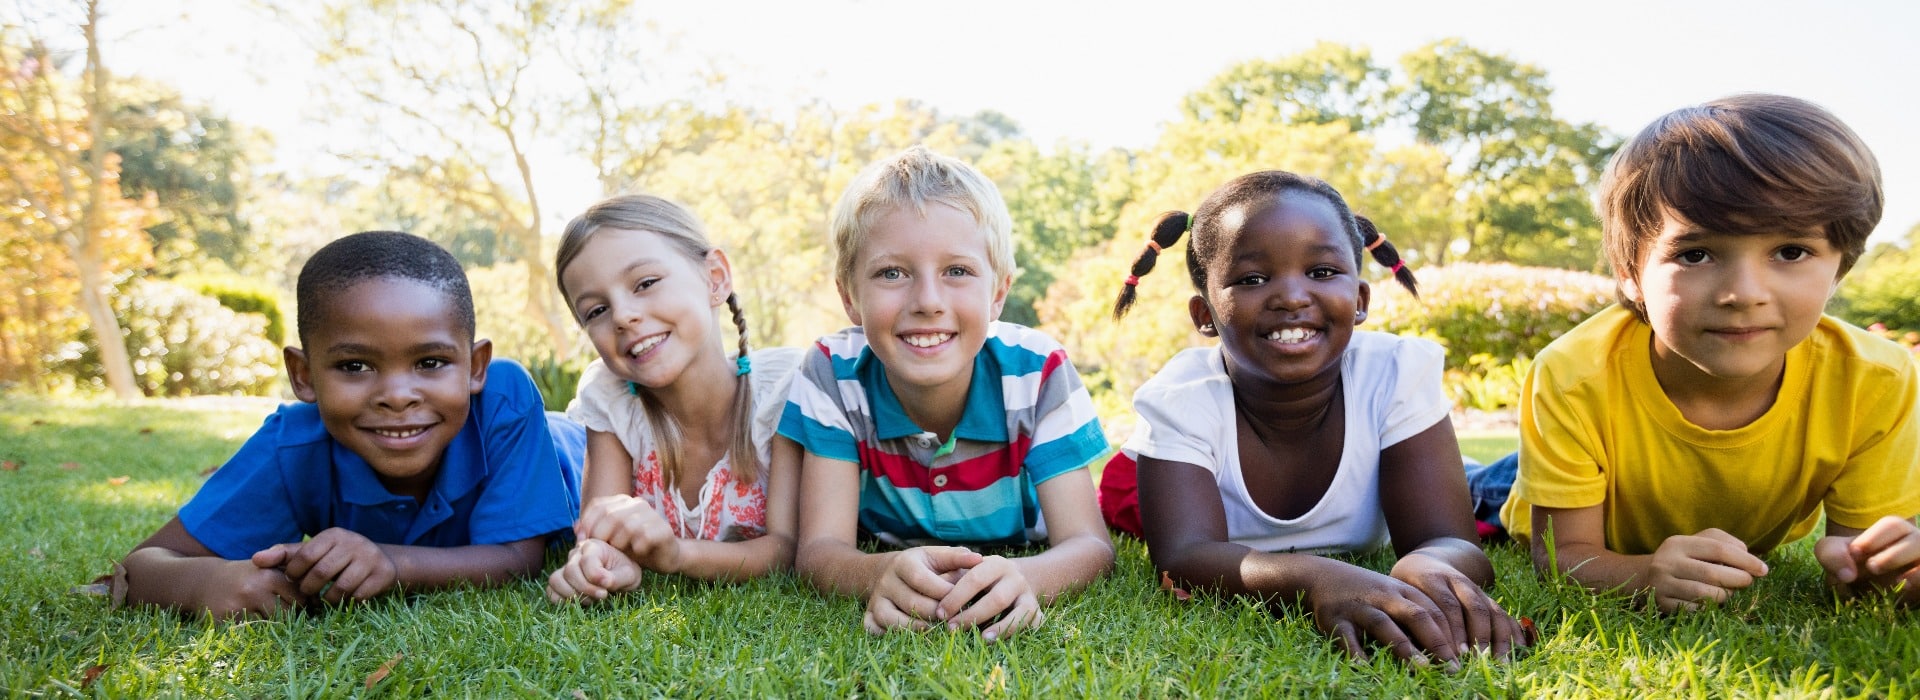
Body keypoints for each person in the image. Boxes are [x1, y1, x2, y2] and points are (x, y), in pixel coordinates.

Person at [1498, 93, 1920, 613]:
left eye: (1791, 252)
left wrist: (1879, 568)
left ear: (1839, 268)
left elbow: (1862, 572)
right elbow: (1563, 559)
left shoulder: (1877, 379)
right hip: (1528, 492)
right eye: (1695, 254)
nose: (1743, 292)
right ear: (1631, 276)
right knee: (1484, 488)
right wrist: (1645, 574)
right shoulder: (1571, 375)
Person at [1098, 171, 1529, 664]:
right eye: (1252, 279)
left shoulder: (1394, 372)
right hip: (1150, 479)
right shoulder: (1182, 398)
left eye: (1321, 272)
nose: (1292, 297)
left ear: (1361, 301)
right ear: (1204, 316)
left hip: (1410, 465)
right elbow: (1183, 557)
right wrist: (1319, 578)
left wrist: (1431, 565)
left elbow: (1454, 542)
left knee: (1496, 486)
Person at [115, 231, 584, 619]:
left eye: (431, 361)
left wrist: (389, 562)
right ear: (303, 375)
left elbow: (519, 559)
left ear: (475, 367)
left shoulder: (503, 399)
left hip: (579, 448)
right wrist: (209, 582)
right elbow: (140, 565)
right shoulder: (294, 445)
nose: (398, 396)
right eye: (355, 366)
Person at [781, 146, 1113, 641]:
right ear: (850, 296)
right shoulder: (832, 371)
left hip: (1021, 544)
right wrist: (878, 574)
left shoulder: (1038, 370)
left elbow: (1089, 544)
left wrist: (1027, 577)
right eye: (892, 273)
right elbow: (819, 552)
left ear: (998, 292)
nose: (928, 302)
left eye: (957, 271)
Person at [545, 194, 802, 603]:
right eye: (596, 311)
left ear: (715, 278)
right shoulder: (610, 398)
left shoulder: (785, 391)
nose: (623, 316)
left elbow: (784, 549)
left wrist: (678, 555)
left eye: (645, 284)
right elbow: (600, 532)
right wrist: (595, 561)